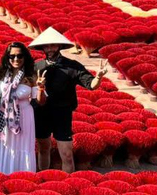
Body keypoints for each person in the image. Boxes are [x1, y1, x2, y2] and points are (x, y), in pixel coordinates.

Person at [31, 27, 108, 173]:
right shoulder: (36, 67)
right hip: (41, 113)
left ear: (59, 46)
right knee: (43, 149)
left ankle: (69, 181)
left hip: (63, 114)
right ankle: (43, 178)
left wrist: (98, 77)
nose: (50, 48)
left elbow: (91, 85)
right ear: (43, 48)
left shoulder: (72, 66)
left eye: (53, 45)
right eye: (47, 45)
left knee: (66, 154)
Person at [0, 42, 46, 174]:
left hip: (23, 118)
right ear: (7, 58)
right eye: (11, 56)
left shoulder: (32, 76)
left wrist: (41, 88)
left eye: (19, 56)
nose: (16, 59)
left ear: (25, 57)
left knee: (21, 148)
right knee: (2, 146)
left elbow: (41, 101)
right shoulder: (0, 73)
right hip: (2, 117)